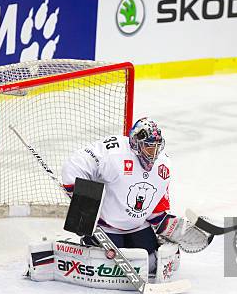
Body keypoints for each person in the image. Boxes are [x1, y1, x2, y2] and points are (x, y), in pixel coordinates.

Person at [61, 117, 210, 273]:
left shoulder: (163, 166)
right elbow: (74, 167)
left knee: (152, 261)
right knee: (108, 264)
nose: (153, 154)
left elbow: (155, 210)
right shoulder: (114, 152)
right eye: (149, 148)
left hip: (137, 226)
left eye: (156, 148)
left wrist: (170, 226)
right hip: (106, 226)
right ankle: (89, 243)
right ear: (136, 144)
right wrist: (83, 209)